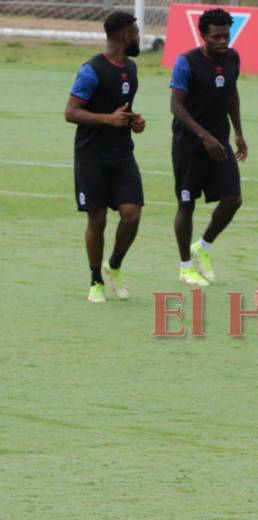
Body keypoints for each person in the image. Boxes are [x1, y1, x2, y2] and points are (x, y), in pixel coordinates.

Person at [65, 11, 145, 303]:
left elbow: (120, 109)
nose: (139, 37)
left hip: (122, 154)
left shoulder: (132, 68)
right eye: (135, 32)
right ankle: (96, 279)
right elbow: (70, 112)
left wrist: (134, 120)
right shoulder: (91, 70)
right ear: (125, 35)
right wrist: (106, 120)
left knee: (132, 213)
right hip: (91, 157)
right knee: (96, 220)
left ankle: (115, 264)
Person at [169, 8, 248, 286]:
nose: (223, 41)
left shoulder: (232, 58)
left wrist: (238, 132)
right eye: (216, 37)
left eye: (226, 35)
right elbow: (175, 105)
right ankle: (185, 266)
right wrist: (202, 135)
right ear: (203, 35)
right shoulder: (187, 62)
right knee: (186, 205)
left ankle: (202, 247)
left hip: (219, 142)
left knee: (233, 199)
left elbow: (231, 94)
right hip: (189, 145)